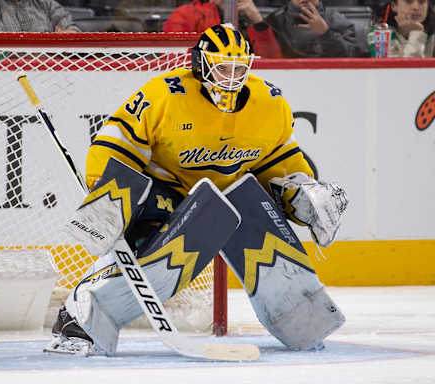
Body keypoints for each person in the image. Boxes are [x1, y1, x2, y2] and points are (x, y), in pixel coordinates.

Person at [48, 24, 348, 356]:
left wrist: (301, 195)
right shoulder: (165, 94)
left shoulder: (270, 103)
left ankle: (297, 315)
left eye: (240, 67)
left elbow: (278, 163)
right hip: (168, 191)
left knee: (258, 214)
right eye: (222, 66)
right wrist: (108, 191)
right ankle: (80, 315)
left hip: (227, 197)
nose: (232, 75)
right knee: (155, 243)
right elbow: (117, 140)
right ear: (201, 63)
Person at [163, 0, 282, 58]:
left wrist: (259, 22)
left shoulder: (250, 18)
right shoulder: (187, 14)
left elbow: (272, 60)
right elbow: (176, 58)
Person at [246, 0, 363, 57]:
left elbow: (354, 58)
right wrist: (259, 23)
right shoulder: (275, 22)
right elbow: (269, 59)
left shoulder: (336, 20)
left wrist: (325, 33)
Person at [367, 0, 435, 57]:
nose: (416, 7)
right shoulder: (379, 34)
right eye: (409, 2)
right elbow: (397, 70)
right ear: (393, 5)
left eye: (421, 2)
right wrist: (416, 33)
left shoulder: (432, 32)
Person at [0, 0, 80, 32]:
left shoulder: (46, 3)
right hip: (0, 78)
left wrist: (71, 34)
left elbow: (70, 29)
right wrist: (50, 50)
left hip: (51, 75)